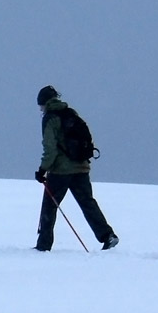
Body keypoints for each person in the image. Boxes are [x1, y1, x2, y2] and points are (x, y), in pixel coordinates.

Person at [35, 85, 118, 251]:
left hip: (60, 171)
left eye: (40, 106)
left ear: (44, 103)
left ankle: (43, 246)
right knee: (87, 203)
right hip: (81, 167)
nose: (41, 109)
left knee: (50, 207)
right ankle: (108, 236)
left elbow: (50, 149)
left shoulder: (50, 118)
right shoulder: (71, 113)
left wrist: (42, 169)